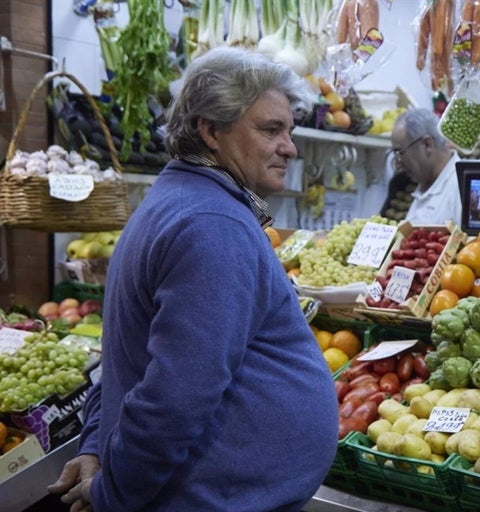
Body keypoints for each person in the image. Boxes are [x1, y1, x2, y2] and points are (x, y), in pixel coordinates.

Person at [47, 46, 338, 511]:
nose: (290, 147)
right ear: (210, 130)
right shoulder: (210, 224)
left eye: (290, 130)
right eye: (271, 129)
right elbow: (176, 396)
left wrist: (97, 445)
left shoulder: (181, 200)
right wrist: (113, 492)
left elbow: (128, 354)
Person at [389, 107, 462, 226]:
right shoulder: (426, 182)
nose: (398, 163)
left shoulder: (460, 190)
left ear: (427, 145)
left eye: (400, 152)